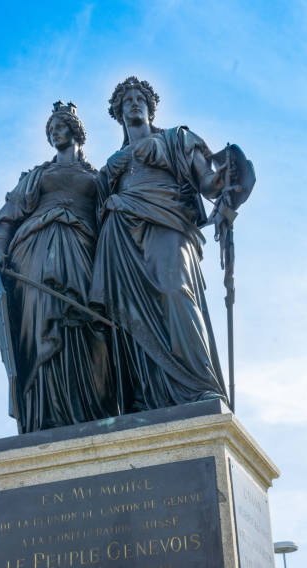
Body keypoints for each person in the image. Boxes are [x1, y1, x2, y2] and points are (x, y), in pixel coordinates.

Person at [90, 77, 229, 413]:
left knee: (175, 292)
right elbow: (95, 205)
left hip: (167, 221)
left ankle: (199, 385)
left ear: (151, 107)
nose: (134, 103)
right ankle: (147, 396)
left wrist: (230, 177)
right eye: (127, 101)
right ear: (119, 112)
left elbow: (208, 182)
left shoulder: (176, 138)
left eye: (140, 98)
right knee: (130, 314)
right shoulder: (113, 161)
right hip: (121, 232)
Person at [0, 102, 116, 432]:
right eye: (51, 129)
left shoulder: (99, 178)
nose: (55, 132)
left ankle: (90, 413)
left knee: (87, 327)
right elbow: (6, 219)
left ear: (76, 131)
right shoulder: (37, 176)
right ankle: (45, 416)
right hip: (36, 256)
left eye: (60, 126)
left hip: (84, 255)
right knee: (42, 325)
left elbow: (116, 225)